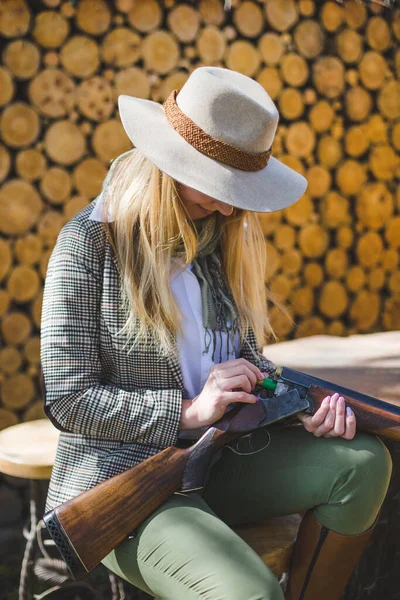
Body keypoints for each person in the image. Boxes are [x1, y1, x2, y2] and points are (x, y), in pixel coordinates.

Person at [41, 67, 392, 600]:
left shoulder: (215, 237)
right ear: (170, 164)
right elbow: (69, 400)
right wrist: (186, 412)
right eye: (217, 186)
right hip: (126, 480)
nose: (230, 207)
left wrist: (305, 410)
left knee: (365, 463)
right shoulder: (86, 246)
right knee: (249, 593)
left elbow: (250, 369)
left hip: (222, 456)